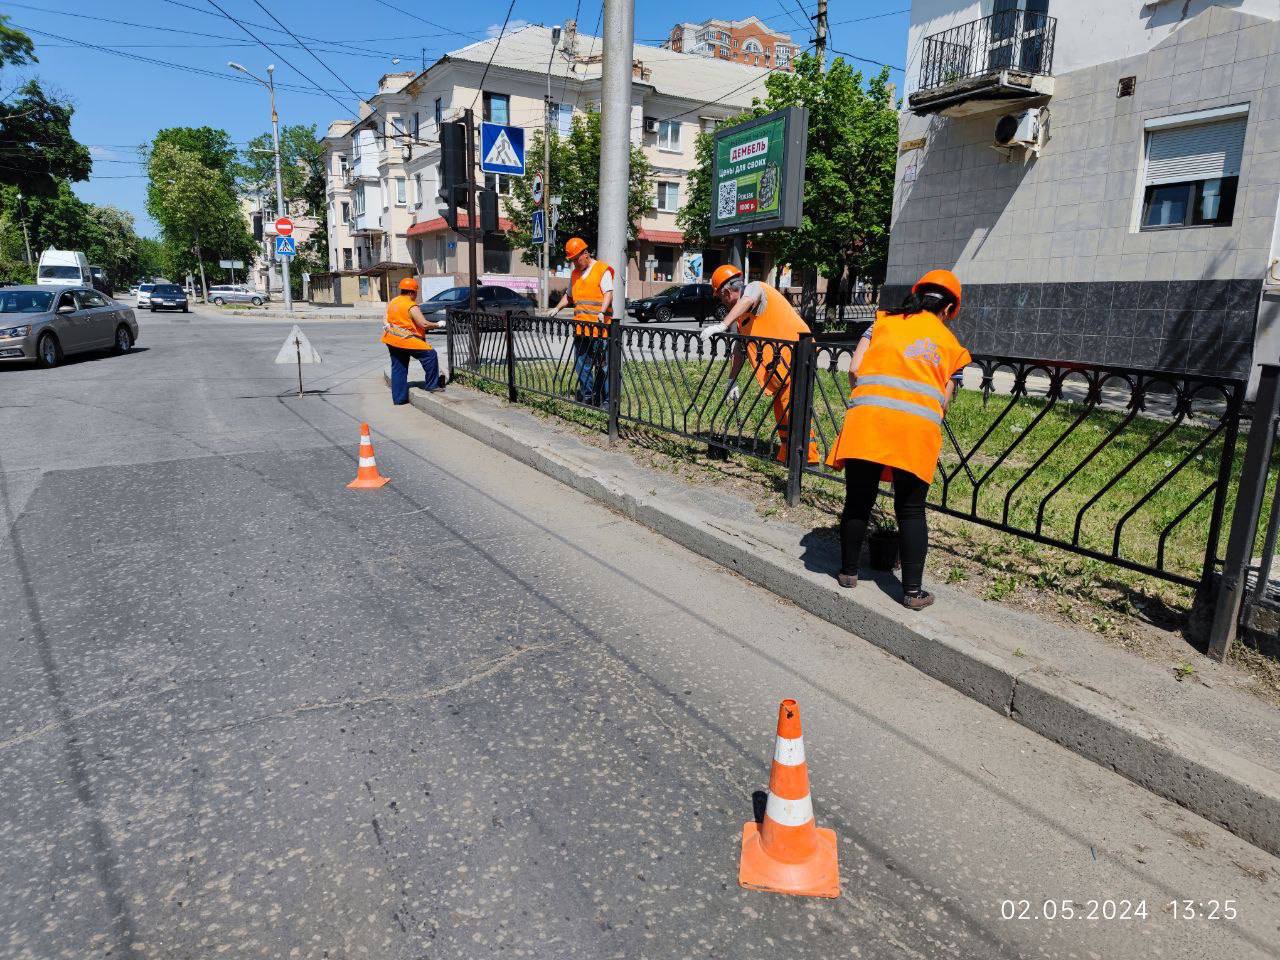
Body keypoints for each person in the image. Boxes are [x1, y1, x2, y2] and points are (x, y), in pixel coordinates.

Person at [825, 269, 971, 610]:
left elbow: (854, 369)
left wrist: (877, 399)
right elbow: (944, 401)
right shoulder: (953, 348)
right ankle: (913, 592)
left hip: (868, 421)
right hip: (915, 432)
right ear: (950, 310)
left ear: (917, 295)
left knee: (858, 499)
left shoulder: (882, 322)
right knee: (910, 509)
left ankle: (848, 572)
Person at [699, 263, 818, 466]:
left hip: (799, 354)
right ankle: (788, 454)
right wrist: (731, 381)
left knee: (794, 408)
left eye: (720, 297)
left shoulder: (756, 288)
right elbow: (740, 348)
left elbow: (748, 299)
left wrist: (722, 324)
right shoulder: (743, 317)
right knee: (781, 409)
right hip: (781, 365)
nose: (722, 302)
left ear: (727, 292)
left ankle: (807, 457)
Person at [551, 237, 615, 406]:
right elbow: (569, 297)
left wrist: (602, 311)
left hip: (600, 329)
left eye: (576, 259)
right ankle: (588, 396)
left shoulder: (602, 270)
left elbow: (608, 292)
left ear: (585, 253)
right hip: (581, 328)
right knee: (581, 365)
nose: (575, 264)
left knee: (603, 367)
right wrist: (557, 308)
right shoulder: (575, 274)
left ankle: (607, 400)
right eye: (572, 261)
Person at [382, 276, 445, 405]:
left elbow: (385, 318)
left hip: (392, 338)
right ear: (411, 292)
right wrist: (438, 324)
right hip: (407, 339)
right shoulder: (411, 305)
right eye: (416, 292)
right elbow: (424, 324)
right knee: (430, 355)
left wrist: (388, 325)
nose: (416, 295)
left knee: (398, 367)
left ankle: (399, 399)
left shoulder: (393, 301)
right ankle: (432, 385)